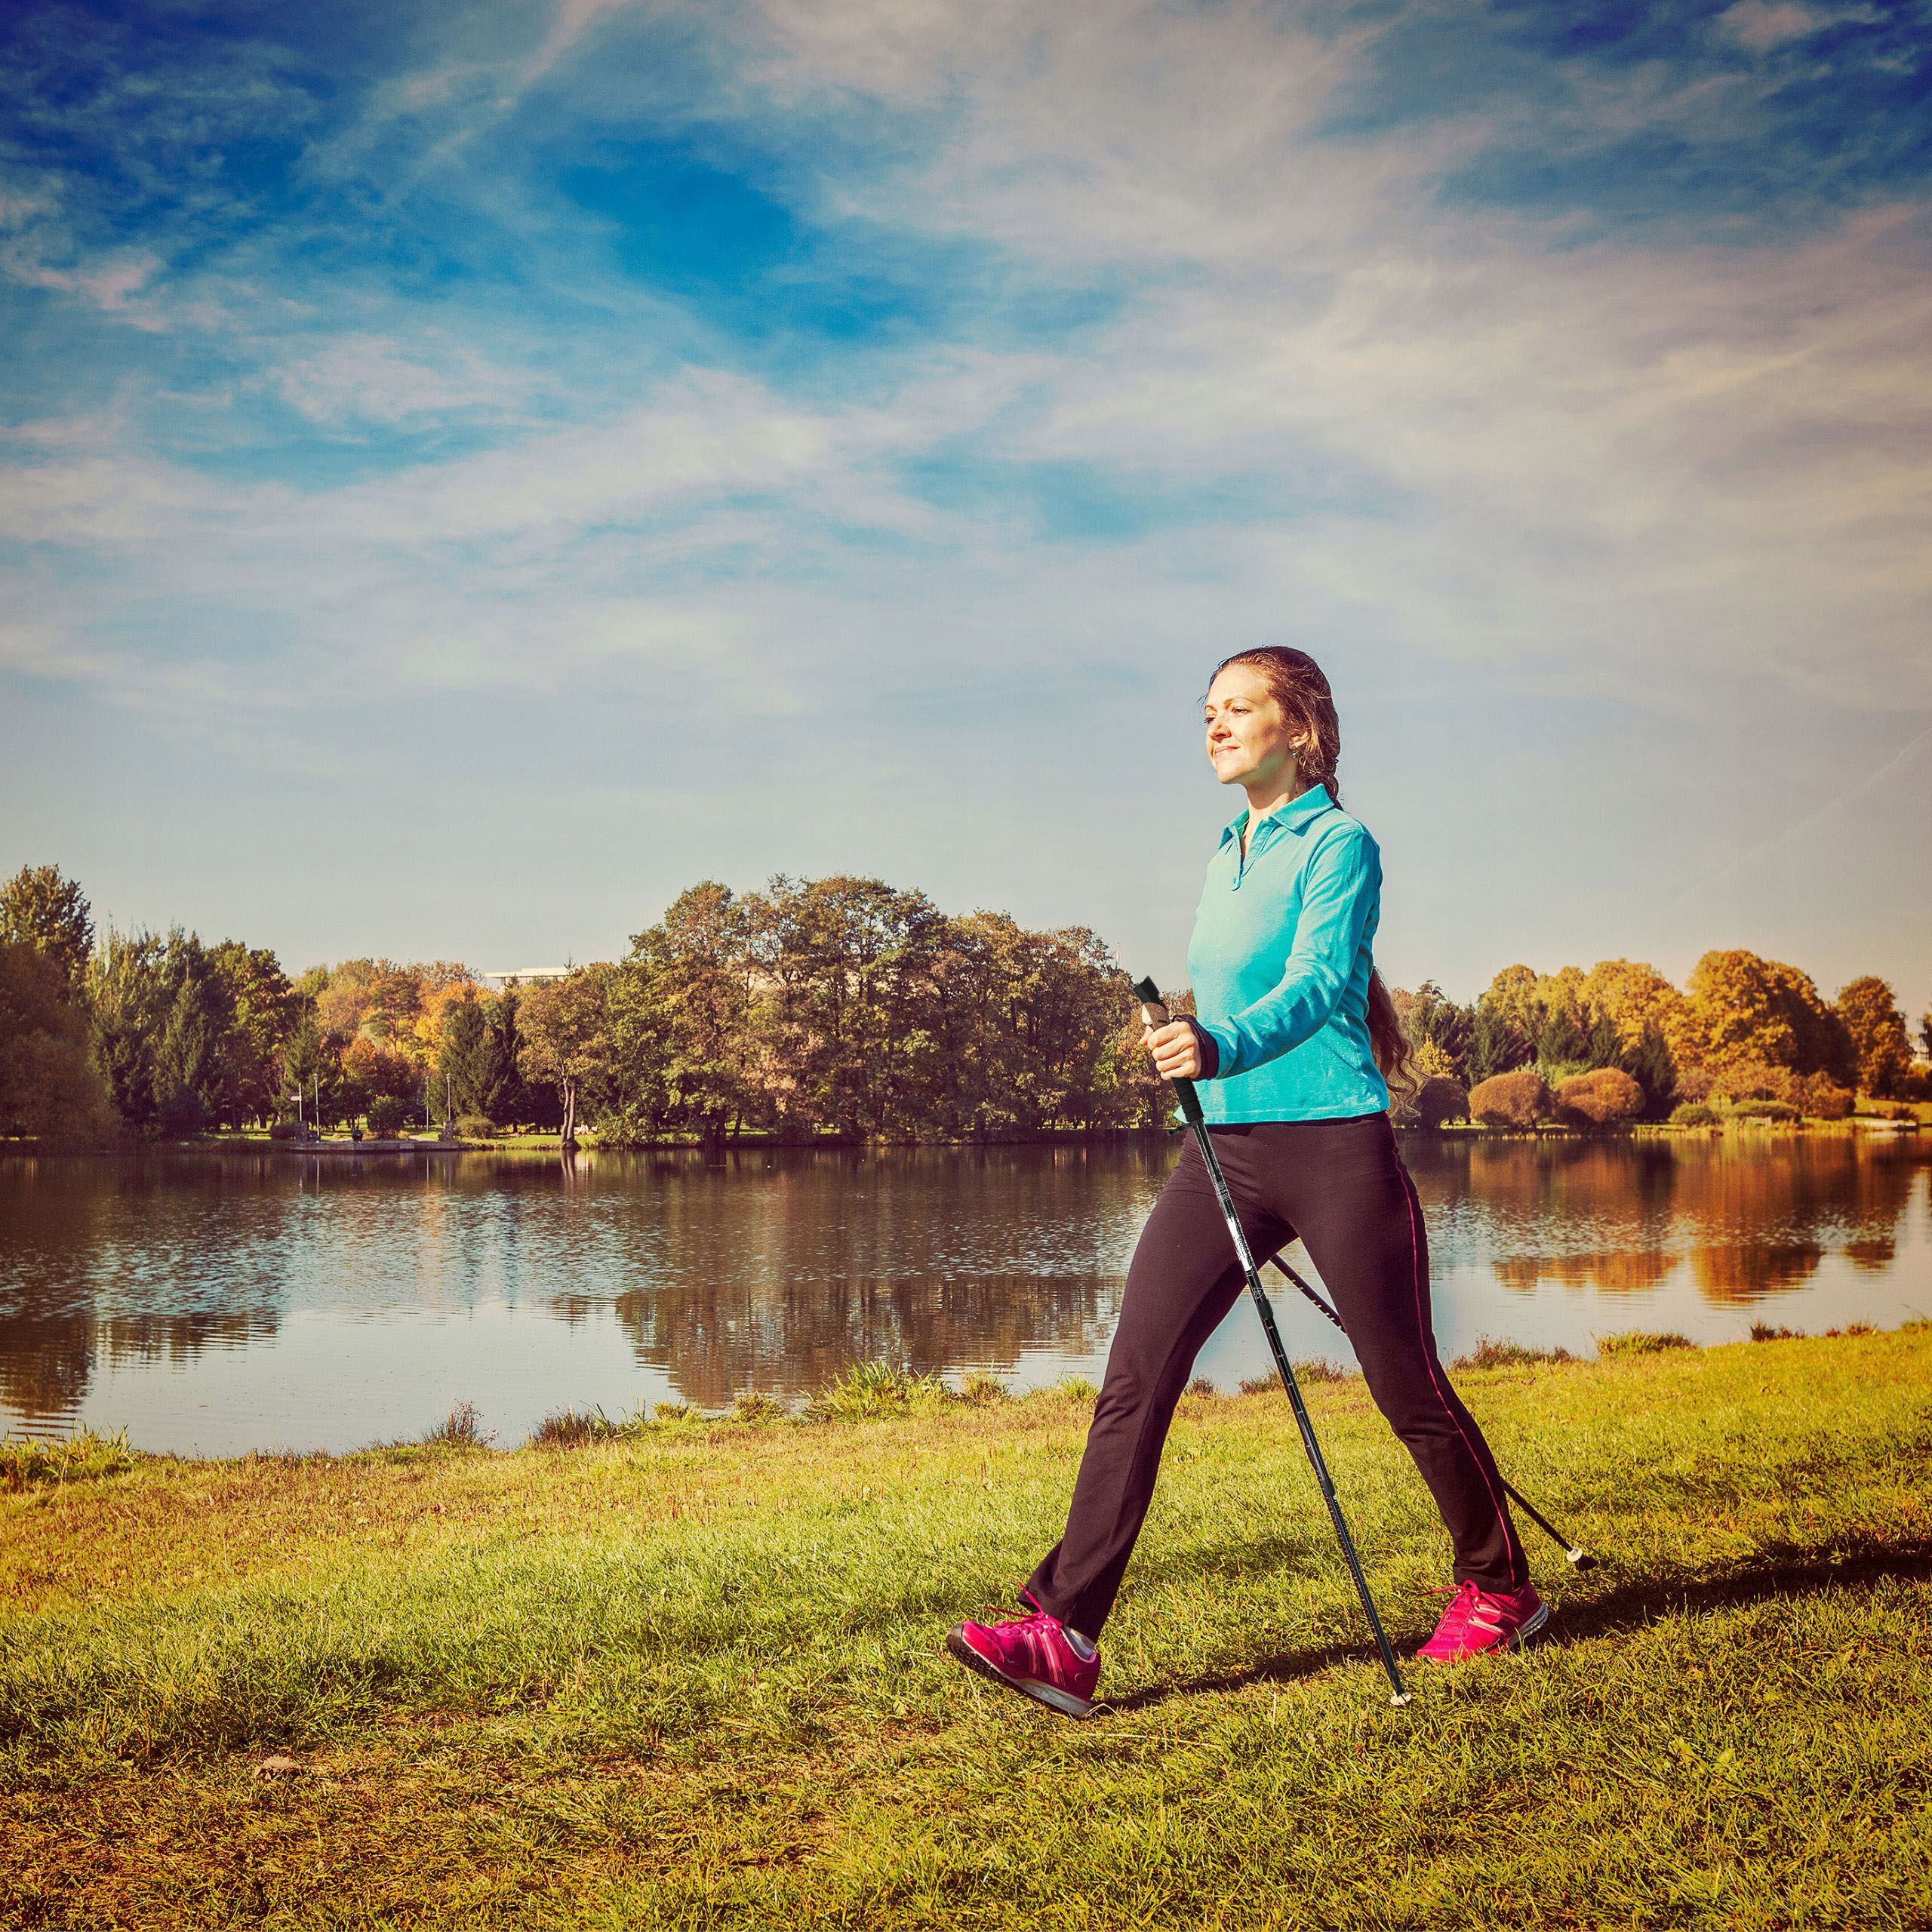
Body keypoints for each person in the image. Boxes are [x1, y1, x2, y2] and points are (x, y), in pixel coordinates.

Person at [946, 646, 1543, 1718]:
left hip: (1334, 1149)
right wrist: (1193, 1050)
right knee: (1137, 1375)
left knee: (1405, 1385)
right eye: (1208, 711)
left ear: (1300, 728)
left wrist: (1215, 1040)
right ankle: (1066, 1632)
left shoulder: (1341, 843)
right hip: (1222, 1149)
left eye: (1239, 708)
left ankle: (1499, 1588)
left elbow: (1322, 984)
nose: (1215, 726)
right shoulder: (1227, 848)